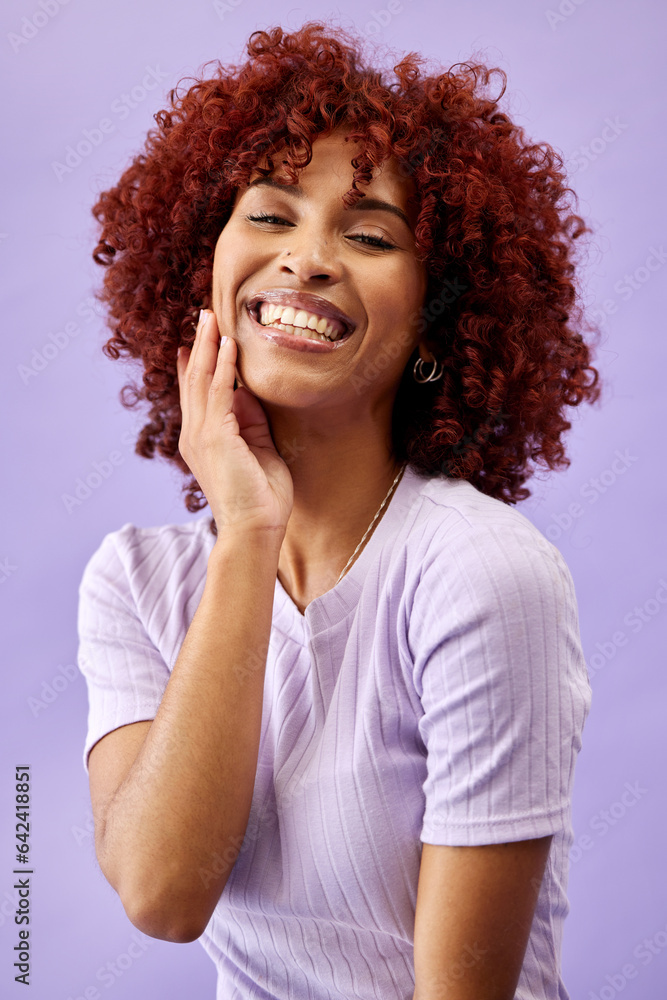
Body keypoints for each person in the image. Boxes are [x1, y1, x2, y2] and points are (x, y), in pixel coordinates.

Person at [76, 21, 602, 1000]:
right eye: (270, 217)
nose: (308, 259)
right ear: (202, 271)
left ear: (436, 320)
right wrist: (248, 533)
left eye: (367, 236)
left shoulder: (480, 573)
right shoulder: (136, 580)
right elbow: (162, 893)